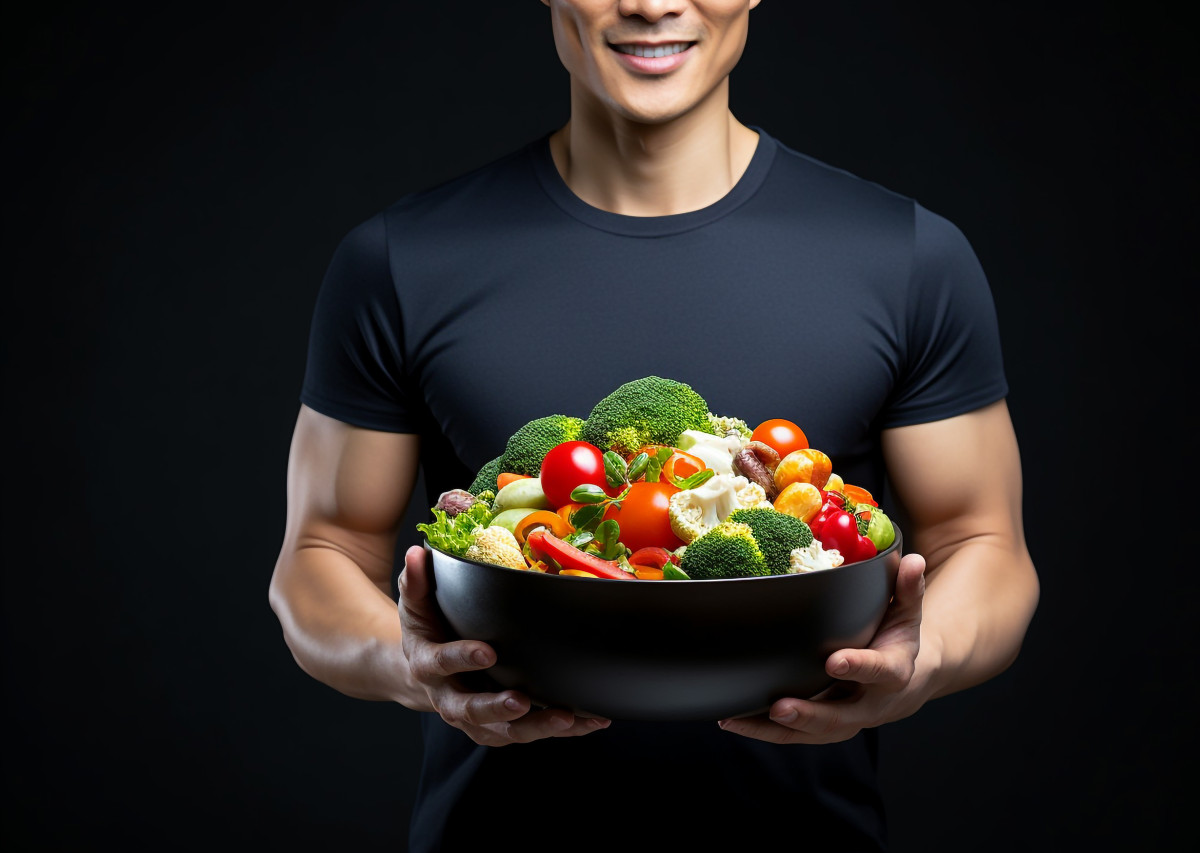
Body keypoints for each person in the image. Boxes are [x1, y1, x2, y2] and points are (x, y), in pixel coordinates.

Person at [268, 1, 1039, 849]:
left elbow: (984, 543)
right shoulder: (398, 261)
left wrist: (919, 665)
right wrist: (408, 666)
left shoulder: (908, 257)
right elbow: (321, 554)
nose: (650, 3)